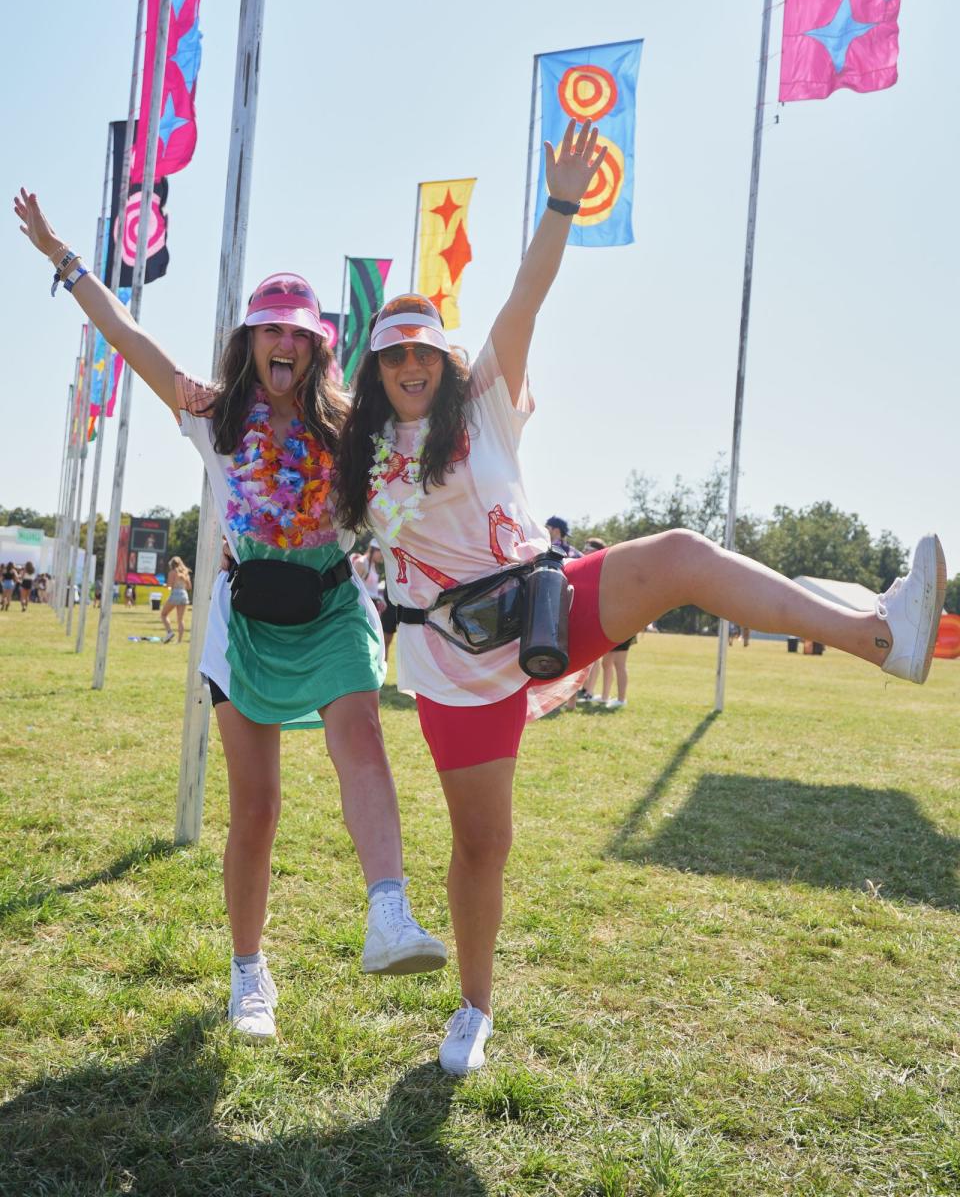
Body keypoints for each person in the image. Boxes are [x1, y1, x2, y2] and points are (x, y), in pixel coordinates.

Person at [335, 118, 947, 1078]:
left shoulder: (485, 400)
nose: (412, 366)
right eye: (394, 355)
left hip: (541, 608)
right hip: (454, 669)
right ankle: (472, 1010)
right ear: (373, 370)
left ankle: (880, 634)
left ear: (445, 363)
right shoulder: (363, 462)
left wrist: (561, 204)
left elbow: (524, 297)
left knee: (680, 553)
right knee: (482, 847)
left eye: (425, 353)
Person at [13, 187, 446, 1043]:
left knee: (362, 736)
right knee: (256, 808)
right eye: (269, 328)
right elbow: (127, 336)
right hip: (246, 619)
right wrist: (63, 258)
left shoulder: (351, 427)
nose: (284, 342)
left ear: (320, 345)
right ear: (251, 340)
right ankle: (250, 976)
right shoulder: (211, 414)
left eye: (299, 331)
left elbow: (427, 408)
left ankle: (388, 913)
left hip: (328, 607)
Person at [161, 556, 192, 644]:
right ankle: (179, 641)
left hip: (175, 594)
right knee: (180, 619)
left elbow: (169, 585)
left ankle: (170, 632)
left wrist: (165, 586)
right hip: (184, 594)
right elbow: (189, 587)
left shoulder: (172, 572)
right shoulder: (185, 573)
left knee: (164, 614)